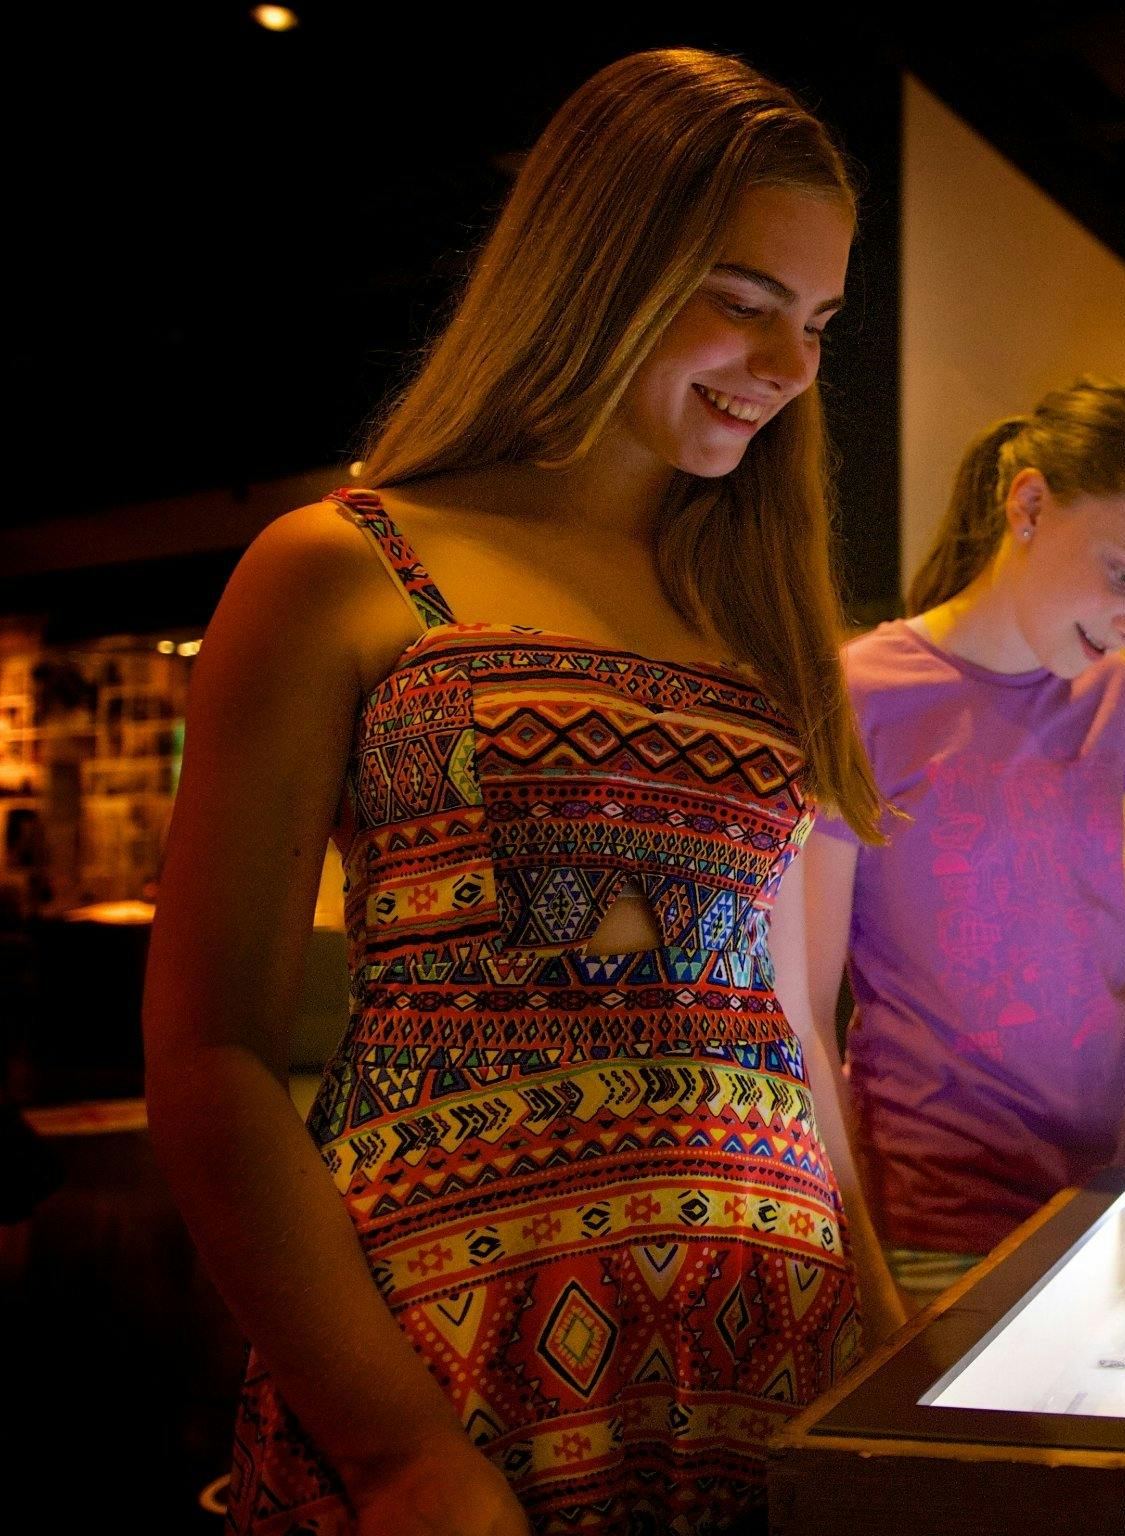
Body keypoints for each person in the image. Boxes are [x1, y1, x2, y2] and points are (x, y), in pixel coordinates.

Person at [142, 49, 904, 1536]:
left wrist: (877, 1319)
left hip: (766, 1342)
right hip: (454, 1350)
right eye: (744, 301)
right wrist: (395, 1450)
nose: (792, 365)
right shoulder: (346, 566)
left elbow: (790, 1018)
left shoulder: (757, 613)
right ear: (596, 266)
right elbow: (213, 1052)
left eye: (816, 321)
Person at [798, 380, 1125, 1310]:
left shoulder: (1106, 699)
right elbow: (803, 999)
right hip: (944, 1210)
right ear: (1029, 505)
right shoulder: (861, 693)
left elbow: (1094, 950)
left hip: (1118, 1187)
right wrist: (852, 1238)